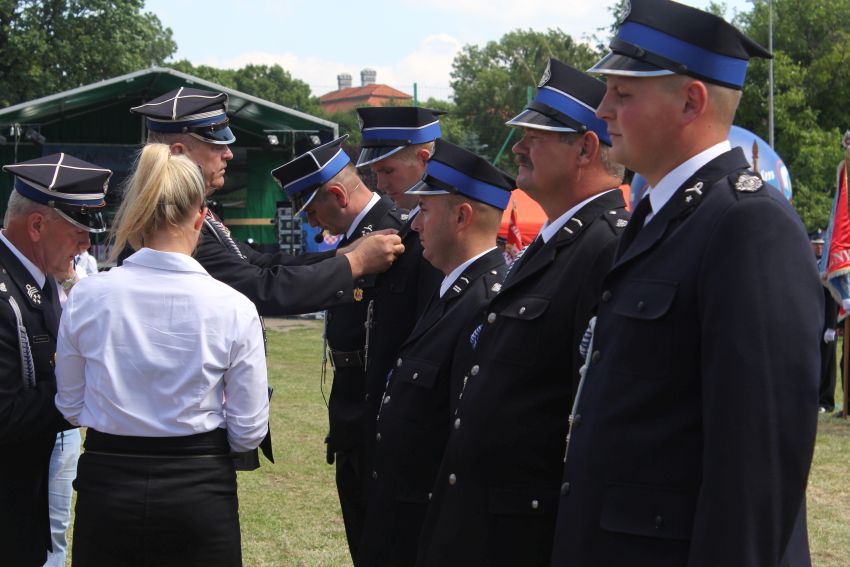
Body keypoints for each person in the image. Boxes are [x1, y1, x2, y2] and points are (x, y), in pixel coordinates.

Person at [550, 1, 822, 566]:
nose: (602, 110)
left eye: (623, 93)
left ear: (691, 102)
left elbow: (755, 470)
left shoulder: (750, 225)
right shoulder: (658, 216)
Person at [416, 59, 629, 567]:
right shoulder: (554, 243)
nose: (517, 148)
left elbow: (588, 415)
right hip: (486, 524)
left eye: (535, 136)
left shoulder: (607, 246)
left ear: (585, 149)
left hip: (528, 533)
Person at [55, 143, 269, 566]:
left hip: (109, 485)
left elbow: (72, 406)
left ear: (137, 216)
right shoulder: (233, 306)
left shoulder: (87, 297)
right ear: (201, 217)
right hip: (199, 489)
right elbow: (248, 432)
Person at [358, 139, 511, 567]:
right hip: (401, 519)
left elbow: (465, 444)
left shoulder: (485, 304)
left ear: (462, 217)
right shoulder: (450, 290)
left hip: (429, 529)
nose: (416, 224)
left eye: (425, 210)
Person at [129, 87, 402, 317]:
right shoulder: (172, 223)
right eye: (217, 145)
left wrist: (340, 255)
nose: (228, 154)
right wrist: (356, 262)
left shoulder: (191, 216)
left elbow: (260, 263)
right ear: (179, 152)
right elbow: (260, 288)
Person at [273, 136, 413, 563]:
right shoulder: (358, 239)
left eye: (313, 211)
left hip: (382, 418)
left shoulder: (398, 234)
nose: (314, 225)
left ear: (337, 195)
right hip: (352, 414)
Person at [0, 152, 110, 567]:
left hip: (23, 497)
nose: (86, 245)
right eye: (79, 231)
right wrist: (88, 388)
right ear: (36, 225)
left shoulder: (40, 280)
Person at [812, 229, 839, 413]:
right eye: (816, 245)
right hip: (814, 320)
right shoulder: (809, 264)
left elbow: (833, 298)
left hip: (828, 320)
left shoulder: (829, 267)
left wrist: (832, 325)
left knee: (828, 362)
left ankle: (826, 400)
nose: (819, 248)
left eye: (822, 245)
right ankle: (815, 397)